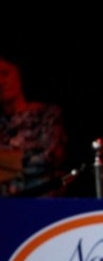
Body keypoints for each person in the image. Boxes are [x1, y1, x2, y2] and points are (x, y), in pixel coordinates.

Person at [0, 54, 67, 197]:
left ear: (18, 74)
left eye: (5, 73)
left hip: (41, 200)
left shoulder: (47, 114)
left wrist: (7, 163)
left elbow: (49, 158)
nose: (0, 81)